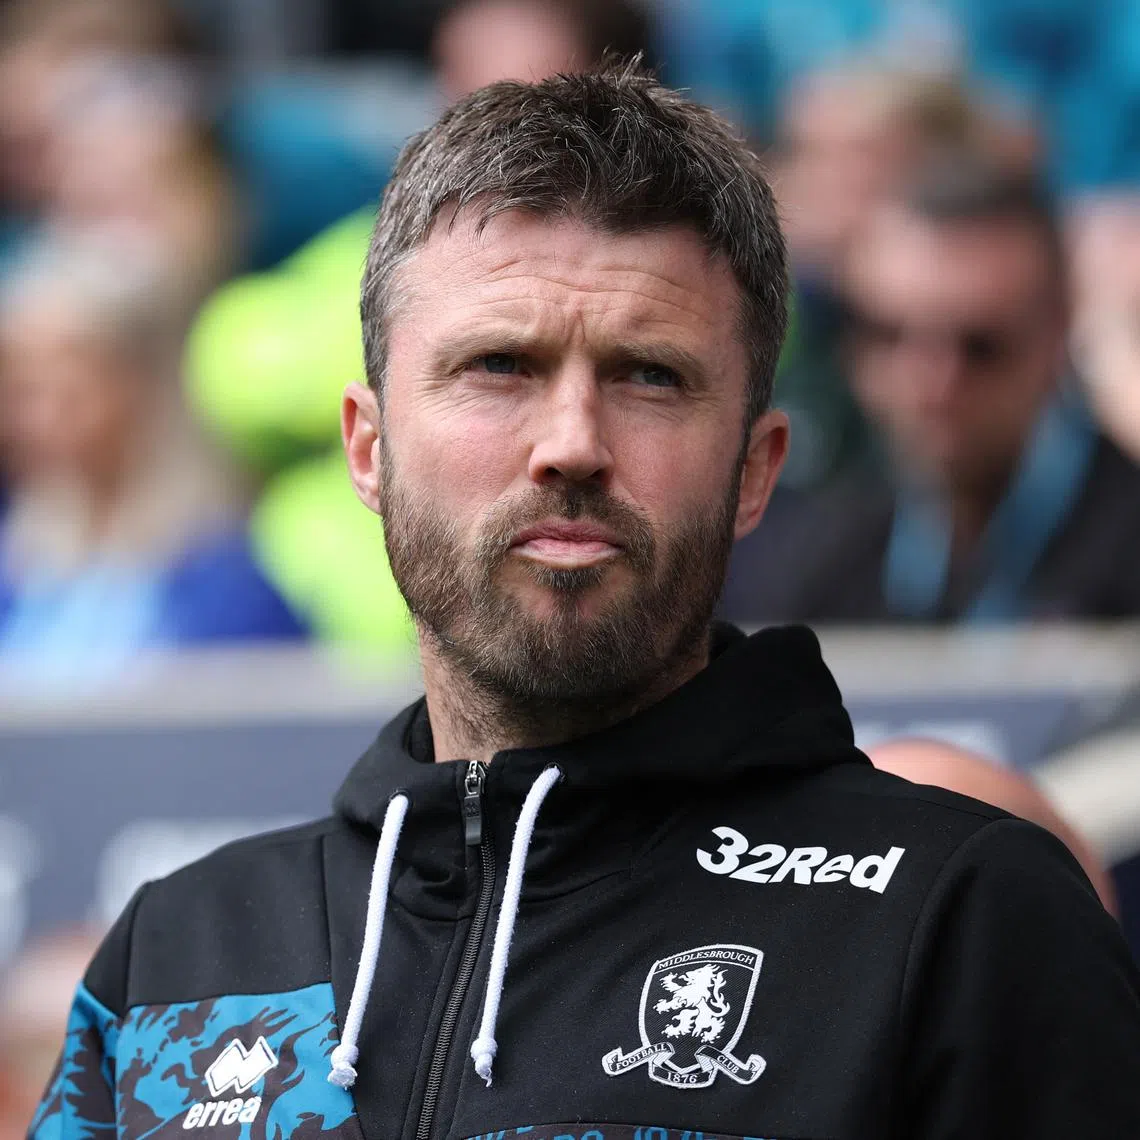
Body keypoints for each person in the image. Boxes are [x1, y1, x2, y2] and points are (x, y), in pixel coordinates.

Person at [31, 64, 1140, 1140]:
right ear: (368, 448)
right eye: (500, 366)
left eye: (649, 375)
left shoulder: (957, 919)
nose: (571, 445)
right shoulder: (173, 959)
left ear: (757, 469)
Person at [724, 154, 1140, 624]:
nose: (930, 382)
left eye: (980, 346)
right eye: (890, 336)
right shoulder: (820, 561)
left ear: (1059, 334)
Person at [0, 237, 304, 692]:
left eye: (67, 386)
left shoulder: (223, 583)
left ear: (143, 382)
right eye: (23, 388)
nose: (37, 417)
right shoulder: (21, 564)